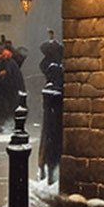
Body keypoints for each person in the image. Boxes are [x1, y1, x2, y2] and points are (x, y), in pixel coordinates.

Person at [38, 31, 64, 184]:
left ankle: (48, 169)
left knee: (49, 139)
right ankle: (49, 170)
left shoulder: (49, 65)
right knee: (52, 140)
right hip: (54, 107)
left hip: (52, 107)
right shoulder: (54, 66)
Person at [0, 38, 25, 132]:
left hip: (9, 89)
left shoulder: (11, 61)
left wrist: (5, 75)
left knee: (9, 106)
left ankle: (8, 124)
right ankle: (0, 124)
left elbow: (14, 75)